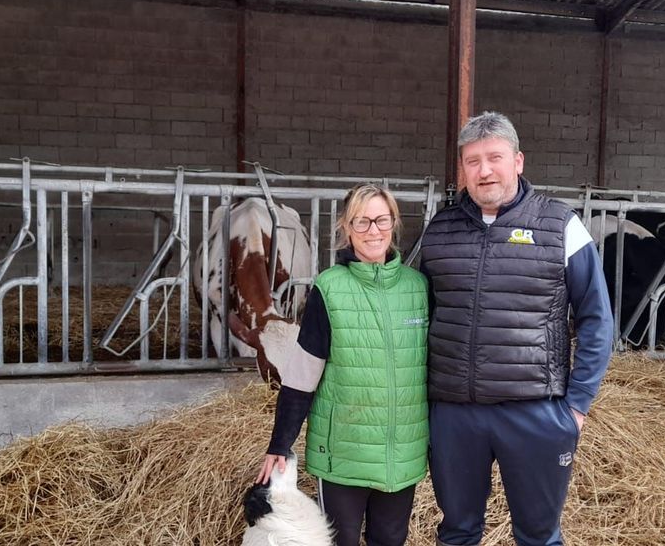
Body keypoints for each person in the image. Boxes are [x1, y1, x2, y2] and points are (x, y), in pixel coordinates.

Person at [418, 111, 615, 546]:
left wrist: (577, 407)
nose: (484, 170)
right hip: (455, 413)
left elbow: (596, 319)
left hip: (536, 410)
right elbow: (422, 313)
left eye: (495, 158)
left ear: (518, 161)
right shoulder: (440, 230)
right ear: (462, 168)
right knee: (457, 532)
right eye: (473, 161)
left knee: (538, 536)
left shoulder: (561, 226)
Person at [255, 183, 429, 546]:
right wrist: (280, 443)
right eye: (361, 221)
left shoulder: (418, 288)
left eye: (381, 220)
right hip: (342, 456)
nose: (373, 230)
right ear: (346, 228)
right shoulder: (329, 288)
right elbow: (302, 375)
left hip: (402, 456)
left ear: (394, 223)